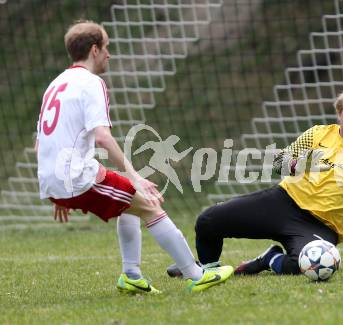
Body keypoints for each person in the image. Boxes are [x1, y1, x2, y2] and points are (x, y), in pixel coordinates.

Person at [35, 20, 233, 293]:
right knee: (150, 205)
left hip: (52, 180)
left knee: (127, 202)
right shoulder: (91, 83)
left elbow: (40, 143)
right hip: (77, 177)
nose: (109, 54)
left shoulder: (55, 84)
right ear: (94, 50)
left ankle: (131, 275)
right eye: (106, 47)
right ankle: (196, 275)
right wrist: (136, 176)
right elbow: (102, 136)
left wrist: (58, 187)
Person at [167, 87, 343, 277]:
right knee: (208, 220)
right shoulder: (318, 133)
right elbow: (279, 161)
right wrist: (296, 164)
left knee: (307, 266)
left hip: (321, 226)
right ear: (340, 113)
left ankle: (269, 259)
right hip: (282, 202)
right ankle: (206, 270)